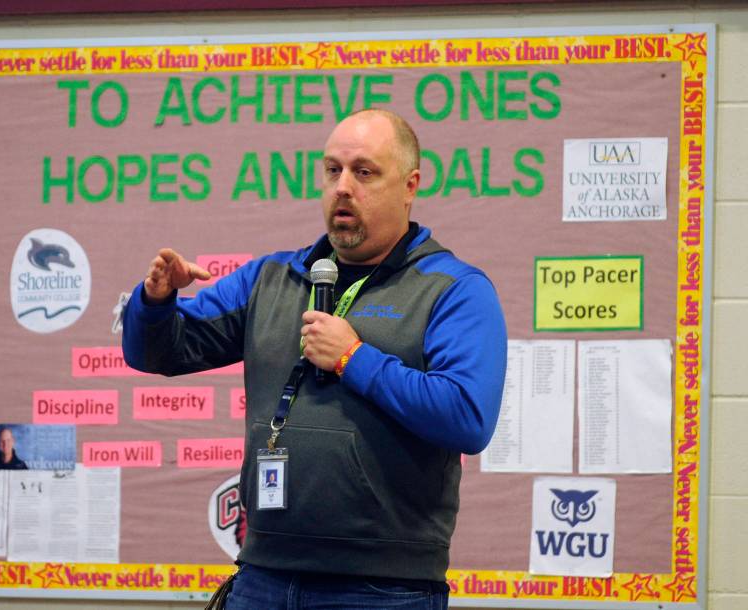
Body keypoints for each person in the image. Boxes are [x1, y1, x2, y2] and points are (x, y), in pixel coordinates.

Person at [122, 109, 507, 609]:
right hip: (263, 578)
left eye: (364, 172)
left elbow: (468, 418)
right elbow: (160, 352)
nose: (343, 187)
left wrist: (354, 358)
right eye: (332, 170)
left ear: (410, 185)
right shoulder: (271, 278)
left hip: (384, 589)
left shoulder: (454, 290)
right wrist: (154, 303)